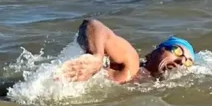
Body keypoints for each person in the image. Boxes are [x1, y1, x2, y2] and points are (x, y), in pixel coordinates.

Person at [59, 18, 195, 85]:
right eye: (177, 51)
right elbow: (93, 25)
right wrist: (96, 57)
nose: (182, 61)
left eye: (189, 62)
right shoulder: (132, 64)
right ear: (154, 52)